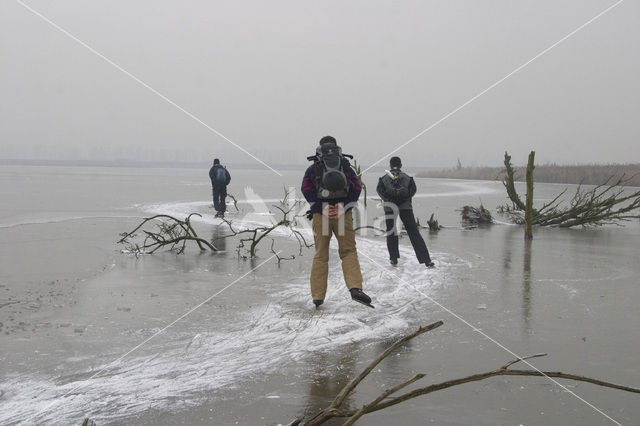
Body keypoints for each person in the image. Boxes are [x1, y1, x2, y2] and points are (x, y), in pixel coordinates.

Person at [301, 136, 372, 308]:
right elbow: (356, 187)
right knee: (348, 252)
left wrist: (320, 207)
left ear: (320, 148)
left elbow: (306, 188)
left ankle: (318, 297)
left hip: (321, 216)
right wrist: (344, 207)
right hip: (343, 215)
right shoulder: (345, 166)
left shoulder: (314, 168)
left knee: (321, 255)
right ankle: (355, 288)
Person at [376, 156, 435, 268]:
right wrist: (403, 199)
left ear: (390, 165)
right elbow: (412, 191)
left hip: (390, 208)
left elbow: (380, 191)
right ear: (401, 165)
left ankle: (393, 259)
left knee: (391, 232)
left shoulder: (383, 179)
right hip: (406, 208)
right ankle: (426, 260)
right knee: (414, 233)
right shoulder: (408, 178)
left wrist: (389, 200)